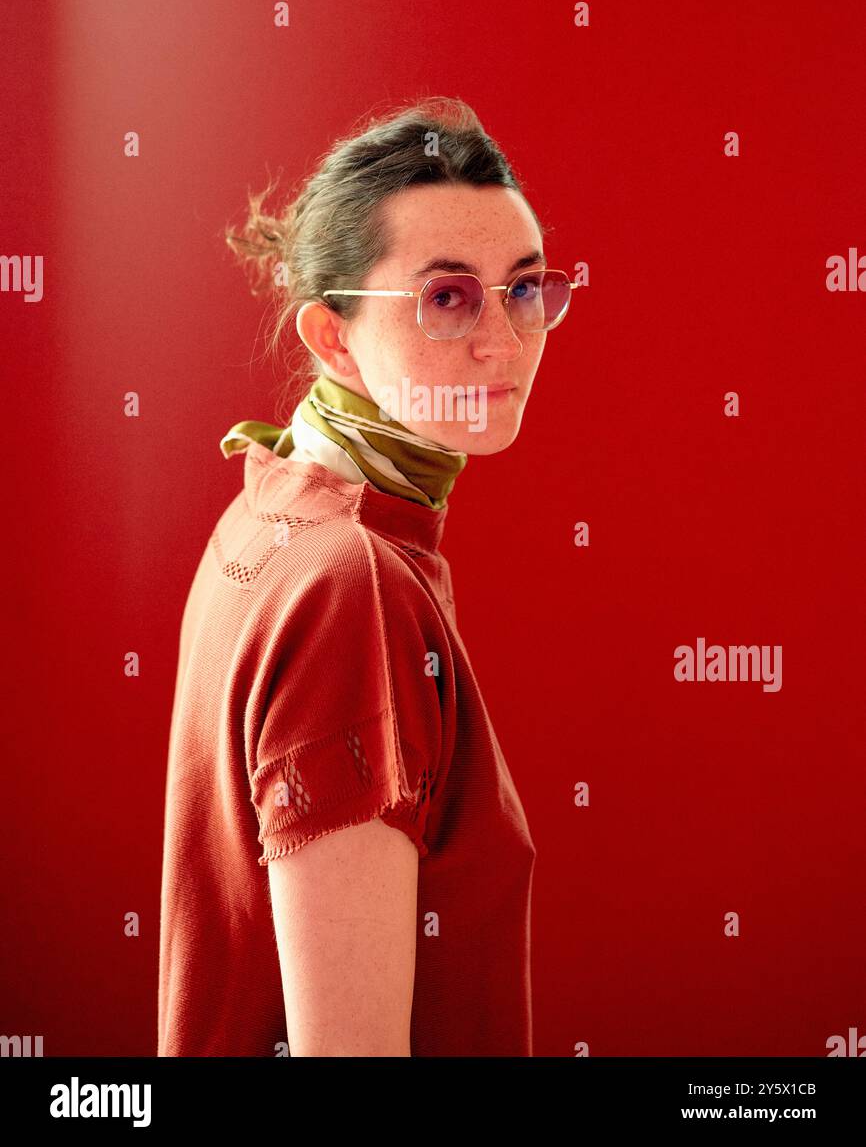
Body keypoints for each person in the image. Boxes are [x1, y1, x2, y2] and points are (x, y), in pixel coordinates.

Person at [157, 97, 578, 1057]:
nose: (505, 344)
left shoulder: (270, 499)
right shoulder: (351, 584)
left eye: (525, 286)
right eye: (446, 297)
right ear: (333, 338)